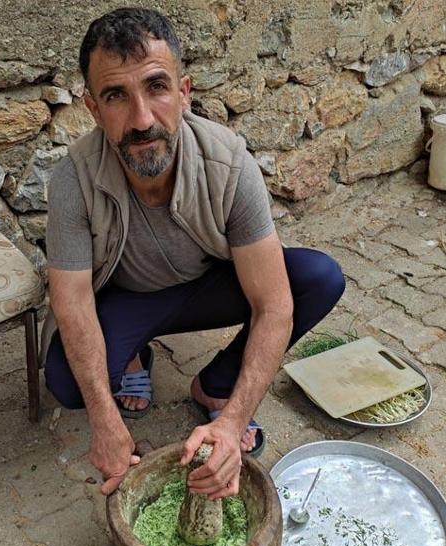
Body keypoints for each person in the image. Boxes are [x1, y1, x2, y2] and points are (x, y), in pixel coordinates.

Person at [42, 7, 344, 500]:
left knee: (317, 277)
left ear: (184, 93)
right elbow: (72, 302)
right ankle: (134, 356)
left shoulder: (228, 162)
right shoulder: (73, 180)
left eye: (157, 87)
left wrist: (232, 422)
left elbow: (272, 305)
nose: (142, 120)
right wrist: (105, 419)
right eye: (116, 96)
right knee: (69, 383)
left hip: (206, 284)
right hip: (126, 297)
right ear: (93, 109)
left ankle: (215, 385)